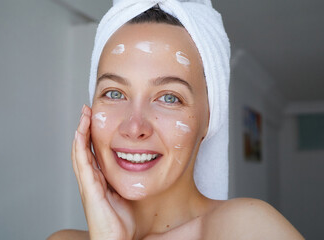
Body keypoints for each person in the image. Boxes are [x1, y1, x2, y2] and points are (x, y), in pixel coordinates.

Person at [49, 1, 303, 239]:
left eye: (169, 98)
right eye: (114, 93)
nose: (134, 127)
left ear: (209, 119)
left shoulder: (248, 229)